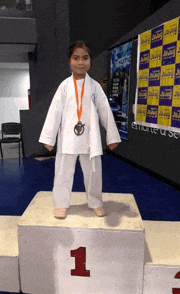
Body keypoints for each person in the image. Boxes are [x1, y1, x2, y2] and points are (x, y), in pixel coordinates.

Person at [39, 40, 121, 219]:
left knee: (93, 173)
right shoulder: (64, 86)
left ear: (90, 61)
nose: (80, 62)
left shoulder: (95, 87)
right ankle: (60, 204)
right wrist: (49, 138)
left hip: (90, 138)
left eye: (85, 58)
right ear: (69, 61)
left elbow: (105, 111)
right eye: (76, 58)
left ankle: (96, 202)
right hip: (69, 136)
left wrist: (111, 136)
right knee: (63, 172)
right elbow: (55, 112)